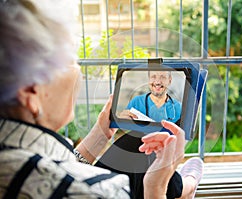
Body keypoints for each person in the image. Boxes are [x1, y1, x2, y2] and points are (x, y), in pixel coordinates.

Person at [0, 0, 203, 198]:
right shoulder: (97, 192)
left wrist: (100, 134)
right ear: (31, 93)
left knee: (135, 142)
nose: (78, 72)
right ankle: (185, 189)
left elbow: (61, 165)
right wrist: (155, 189)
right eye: (71, 60)